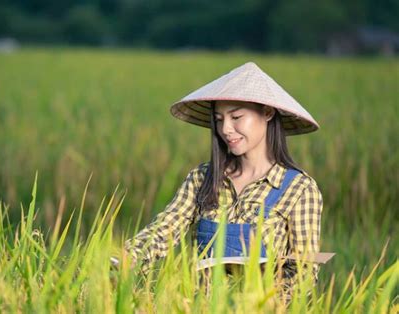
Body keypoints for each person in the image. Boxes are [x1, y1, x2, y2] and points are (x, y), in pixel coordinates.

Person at [123, 62, 323, 301]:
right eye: (219, 119)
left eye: (236, 117)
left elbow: (303, 271)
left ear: (268, 112)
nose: (226, 129)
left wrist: (263, 304)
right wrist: (128, 256)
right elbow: (166, 227)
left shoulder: (299, 189)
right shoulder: (202, 178)